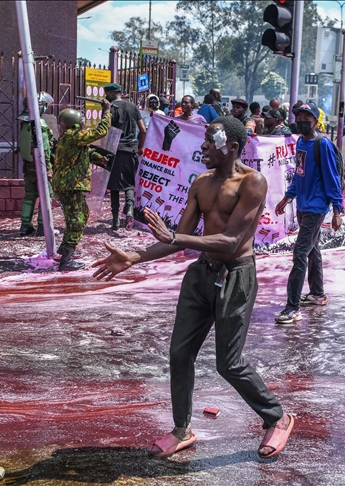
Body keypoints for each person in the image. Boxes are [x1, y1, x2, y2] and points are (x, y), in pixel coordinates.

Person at [92, 115, 295, 460]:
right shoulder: (200, 183)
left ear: (231, 147)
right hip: (201, 275)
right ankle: (182, 430)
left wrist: (176, 236)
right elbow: (176, 241)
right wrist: (133, 256)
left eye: (210, 141)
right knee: (179, 353)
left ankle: (277, 417)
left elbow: (230, 241)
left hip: (236, 276)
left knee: (228, 363)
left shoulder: (253, 183)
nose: (203, 147)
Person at [275, 102, 343, 323]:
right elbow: (299, 174)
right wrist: (287, 198)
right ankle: (317, 293)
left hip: (316, 207)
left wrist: (337, 210)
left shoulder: (322, 145)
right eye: (299, 117)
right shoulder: (301, 143)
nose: (302, 121)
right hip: (303, 205)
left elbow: (332, 178)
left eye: (307, 117)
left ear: (315, 121)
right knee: (313, 250)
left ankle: (292, 307)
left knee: (299, 254)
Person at [53, 101, 112, 271]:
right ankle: (66, 259)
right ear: (74, 123)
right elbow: (100, 132)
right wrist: (106, 112)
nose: (82, 123)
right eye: (80, 121)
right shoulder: (72, 135)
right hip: (70, 185)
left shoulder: (71, 137)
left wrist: (99, 158)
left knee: (82, 214)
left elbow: (83, 152)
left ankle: (66, 249)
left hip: (68, 185)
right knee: (77, 220)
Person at [104, 83, 146, 231]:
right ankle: (129, 208)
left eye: (106, 93)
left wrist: (105, 111)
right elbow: (143, 130)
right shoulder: (133, 107)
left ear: (111, 94)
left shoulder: (110, 108)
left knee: (114, 186)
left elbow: (105, 129)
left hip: (115, 150)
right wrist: (140, 147)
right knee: (129, 183)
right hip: (131, 150)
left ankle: (115, 220)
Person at [17, 91, 55, 237]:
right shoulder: (40, 125)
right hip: (40, 167)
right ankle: (42, 226)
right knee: (47, 195)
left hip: (28, 167)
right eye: (44, 105)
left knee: (30, 195)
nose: (45, 108)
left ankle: (25, 225)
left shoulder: (25, 122)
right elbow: (44, 149)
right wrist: (49, 169)